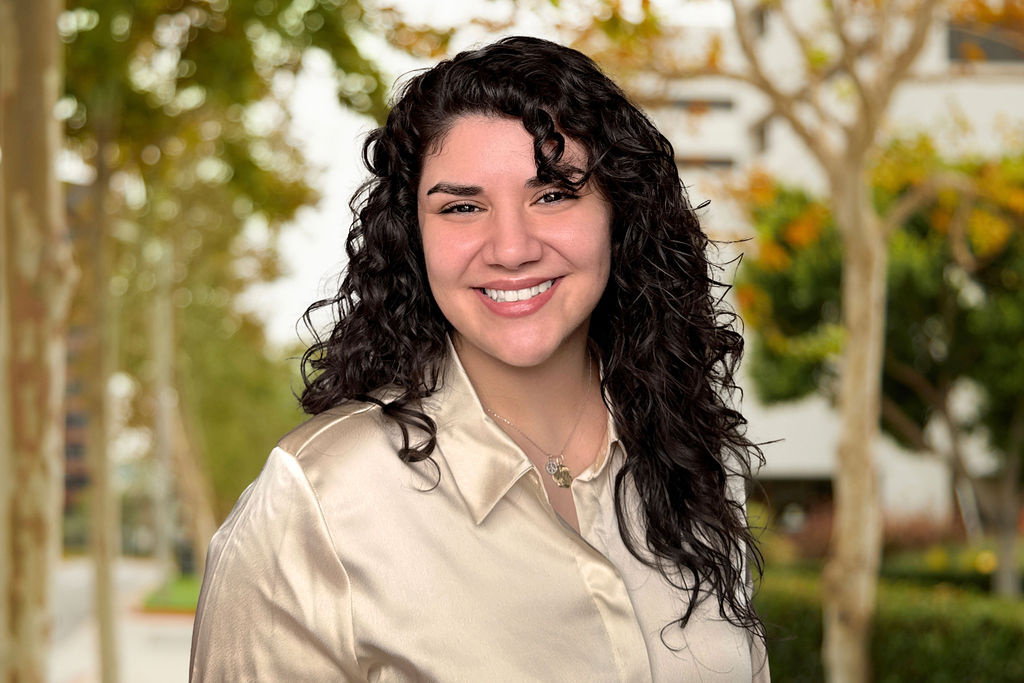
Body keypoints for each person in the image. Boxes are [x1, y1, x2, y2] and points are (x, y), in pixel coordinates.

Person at [190, 36, 769, 682]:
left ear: (618, 212)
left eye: (552, 194)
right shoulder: (317, 504)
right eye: (463, 207)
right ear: (415, 235)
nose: (511, 247)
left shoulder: (693, 464)